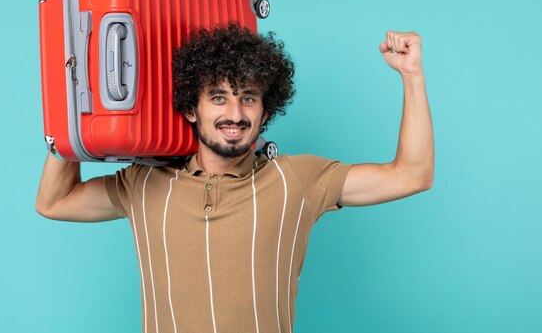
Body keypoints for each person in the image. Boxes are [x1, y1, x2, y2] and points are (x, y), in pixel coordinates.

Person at [36, 23, 434, 333]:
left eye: (248, 97)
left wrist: (411, 75)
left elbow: (412, 175)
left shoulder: (297, 179)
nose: (235, 113)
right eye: (218, 97)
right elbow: (54, 201)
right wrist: (70, 101)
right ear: (192, 109)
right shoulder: (143, 182)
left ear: (264, 112)